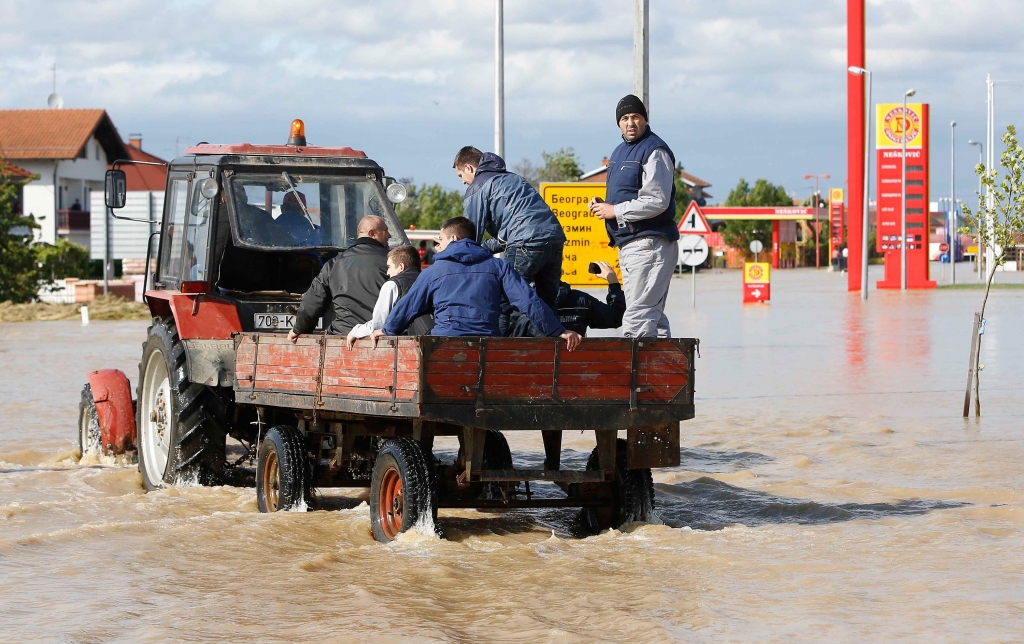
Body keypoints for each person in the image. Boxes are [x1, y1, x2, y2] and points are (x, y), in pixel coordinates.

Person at [373, 217, 581, 351]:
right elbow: (528, 301)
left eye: (440, 240)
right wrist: (557, 331)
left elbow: (409, 305)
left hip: (445, 345)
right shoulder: (498, 266)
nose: (438, 246)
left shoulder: (435, 271)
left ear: (453, 238)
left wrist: (388, 329)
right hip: (486, 346)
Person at [589, 94, 680, 338]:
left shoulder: (654, 150)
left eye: (636, 117)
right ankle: (662, 374)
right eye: (625, 118)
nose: (630, 122)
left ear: (645, 120)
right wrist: (603, 205)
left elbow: (657, 200)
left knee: (637, 318)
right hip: (630, 243)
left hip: (649, 242)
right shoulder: (620, 152)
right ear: (619, 123)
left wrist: (615, 210)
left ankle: (636, 376)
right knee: (652, 317)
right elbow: (628, 194)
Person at [454, 146, 566, 308]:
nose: (463, 181)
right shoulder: (515, 179)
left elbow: (469, 237)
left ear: (468, 167)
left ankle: (505, 334)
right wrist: (486, 247)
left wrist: (453, 256)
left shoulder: (478, 186)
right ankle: (549, 333)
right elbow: (508, 235)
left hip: (525, 243)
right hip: (554, 239)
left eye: (461, 176)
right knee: (546, 305)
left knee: (505, 301)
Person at [288, 215, 391, 341]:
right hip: (382, 337)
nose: (389, 235)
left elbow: (312, 303)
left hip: (342, 337)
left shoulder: (334, 264)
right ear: (372, 233)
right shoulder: (392, 264)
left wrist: (298, 329)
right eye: (386, 231)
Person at [507, 261, 625, 337]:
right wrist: (613, 280)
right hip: (573, 368)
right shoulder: (580, 301)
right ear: (560, 272)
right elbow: (615, 317)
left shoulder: (520, 304)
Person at [346, 245, 433, 346]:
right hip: (429, 338)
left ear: (401, 267)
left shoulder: (392, 285)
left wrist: (355, 331)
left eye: (389, 267)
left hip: (402, 346)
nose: (387, 272)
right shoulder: (428, 282)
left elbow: (378, 324)